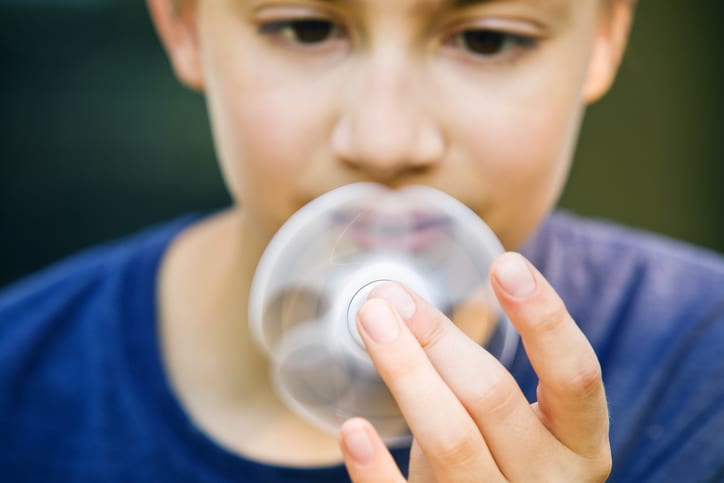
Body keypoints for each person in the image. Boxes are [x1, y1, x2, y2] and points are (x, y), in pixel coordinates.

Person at [0, 0, 722, 481]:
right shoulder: (18, 384)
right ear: (183, 24)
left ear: (605, 38)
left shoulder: (703, 374)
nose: (386, 142)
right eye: (306, 28)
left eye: (487, 39)